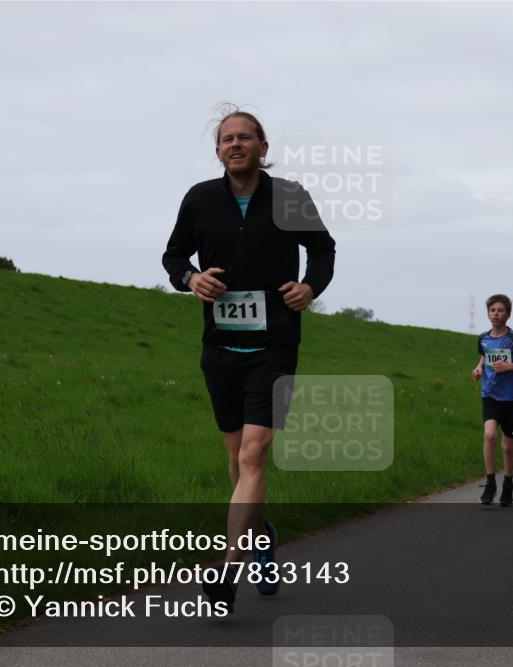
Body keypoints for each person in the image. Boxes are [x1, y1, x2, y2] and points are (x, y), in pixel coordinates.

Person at [162, 108, 336, 611]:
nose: (235, 144)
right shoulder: (199, 199)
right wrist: (190, 279)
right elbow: (174, 256)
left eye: (245, 137)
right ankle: (261, 541)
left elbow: (322, 250)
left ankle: (227, 570)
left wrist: (309, 286)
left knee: (254, 455)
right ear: (218, 151)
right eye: (226, 139)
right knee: (237, 464)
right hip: (220, 349)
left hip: (275, 346)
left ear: (263, 145)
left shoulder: (289, 197)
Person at [471, 294, 513, 506]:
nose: (496, 314)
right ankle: (490, 483)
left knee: (507, 446)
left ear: (507, 314)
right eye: (492, 310)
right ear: (488, 313)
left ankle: (508, 483)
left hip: (511, 398)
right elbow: (484, 356)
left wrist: (510, 366)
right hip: (489, 395)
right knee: (489, 436)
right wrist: (479, 368)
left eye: (500, 310)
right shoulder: (483, 337)